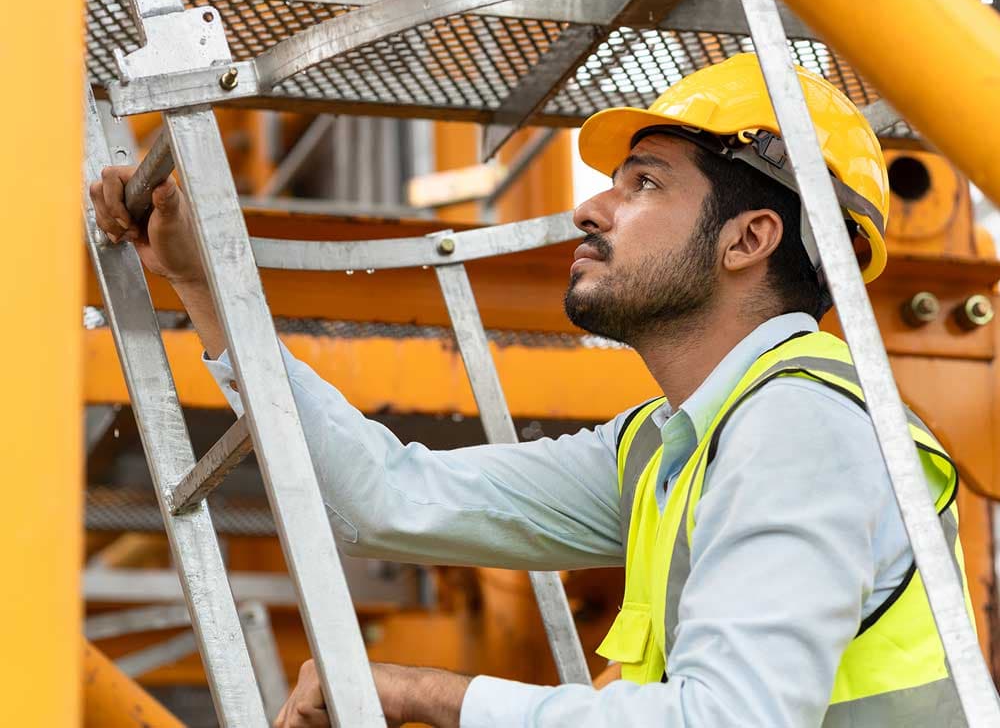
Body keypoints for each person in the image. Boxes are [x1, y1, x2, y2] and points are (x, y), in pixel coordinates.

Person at [90, 53, 972, 728]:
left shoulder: (802, 425)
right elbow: (389, 496)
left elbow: (726, 719)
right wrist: (205, 287)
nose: (593, 209)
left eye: (644, 184)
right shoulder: (675, 446)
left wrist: (435, 693)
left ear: (748, 240)